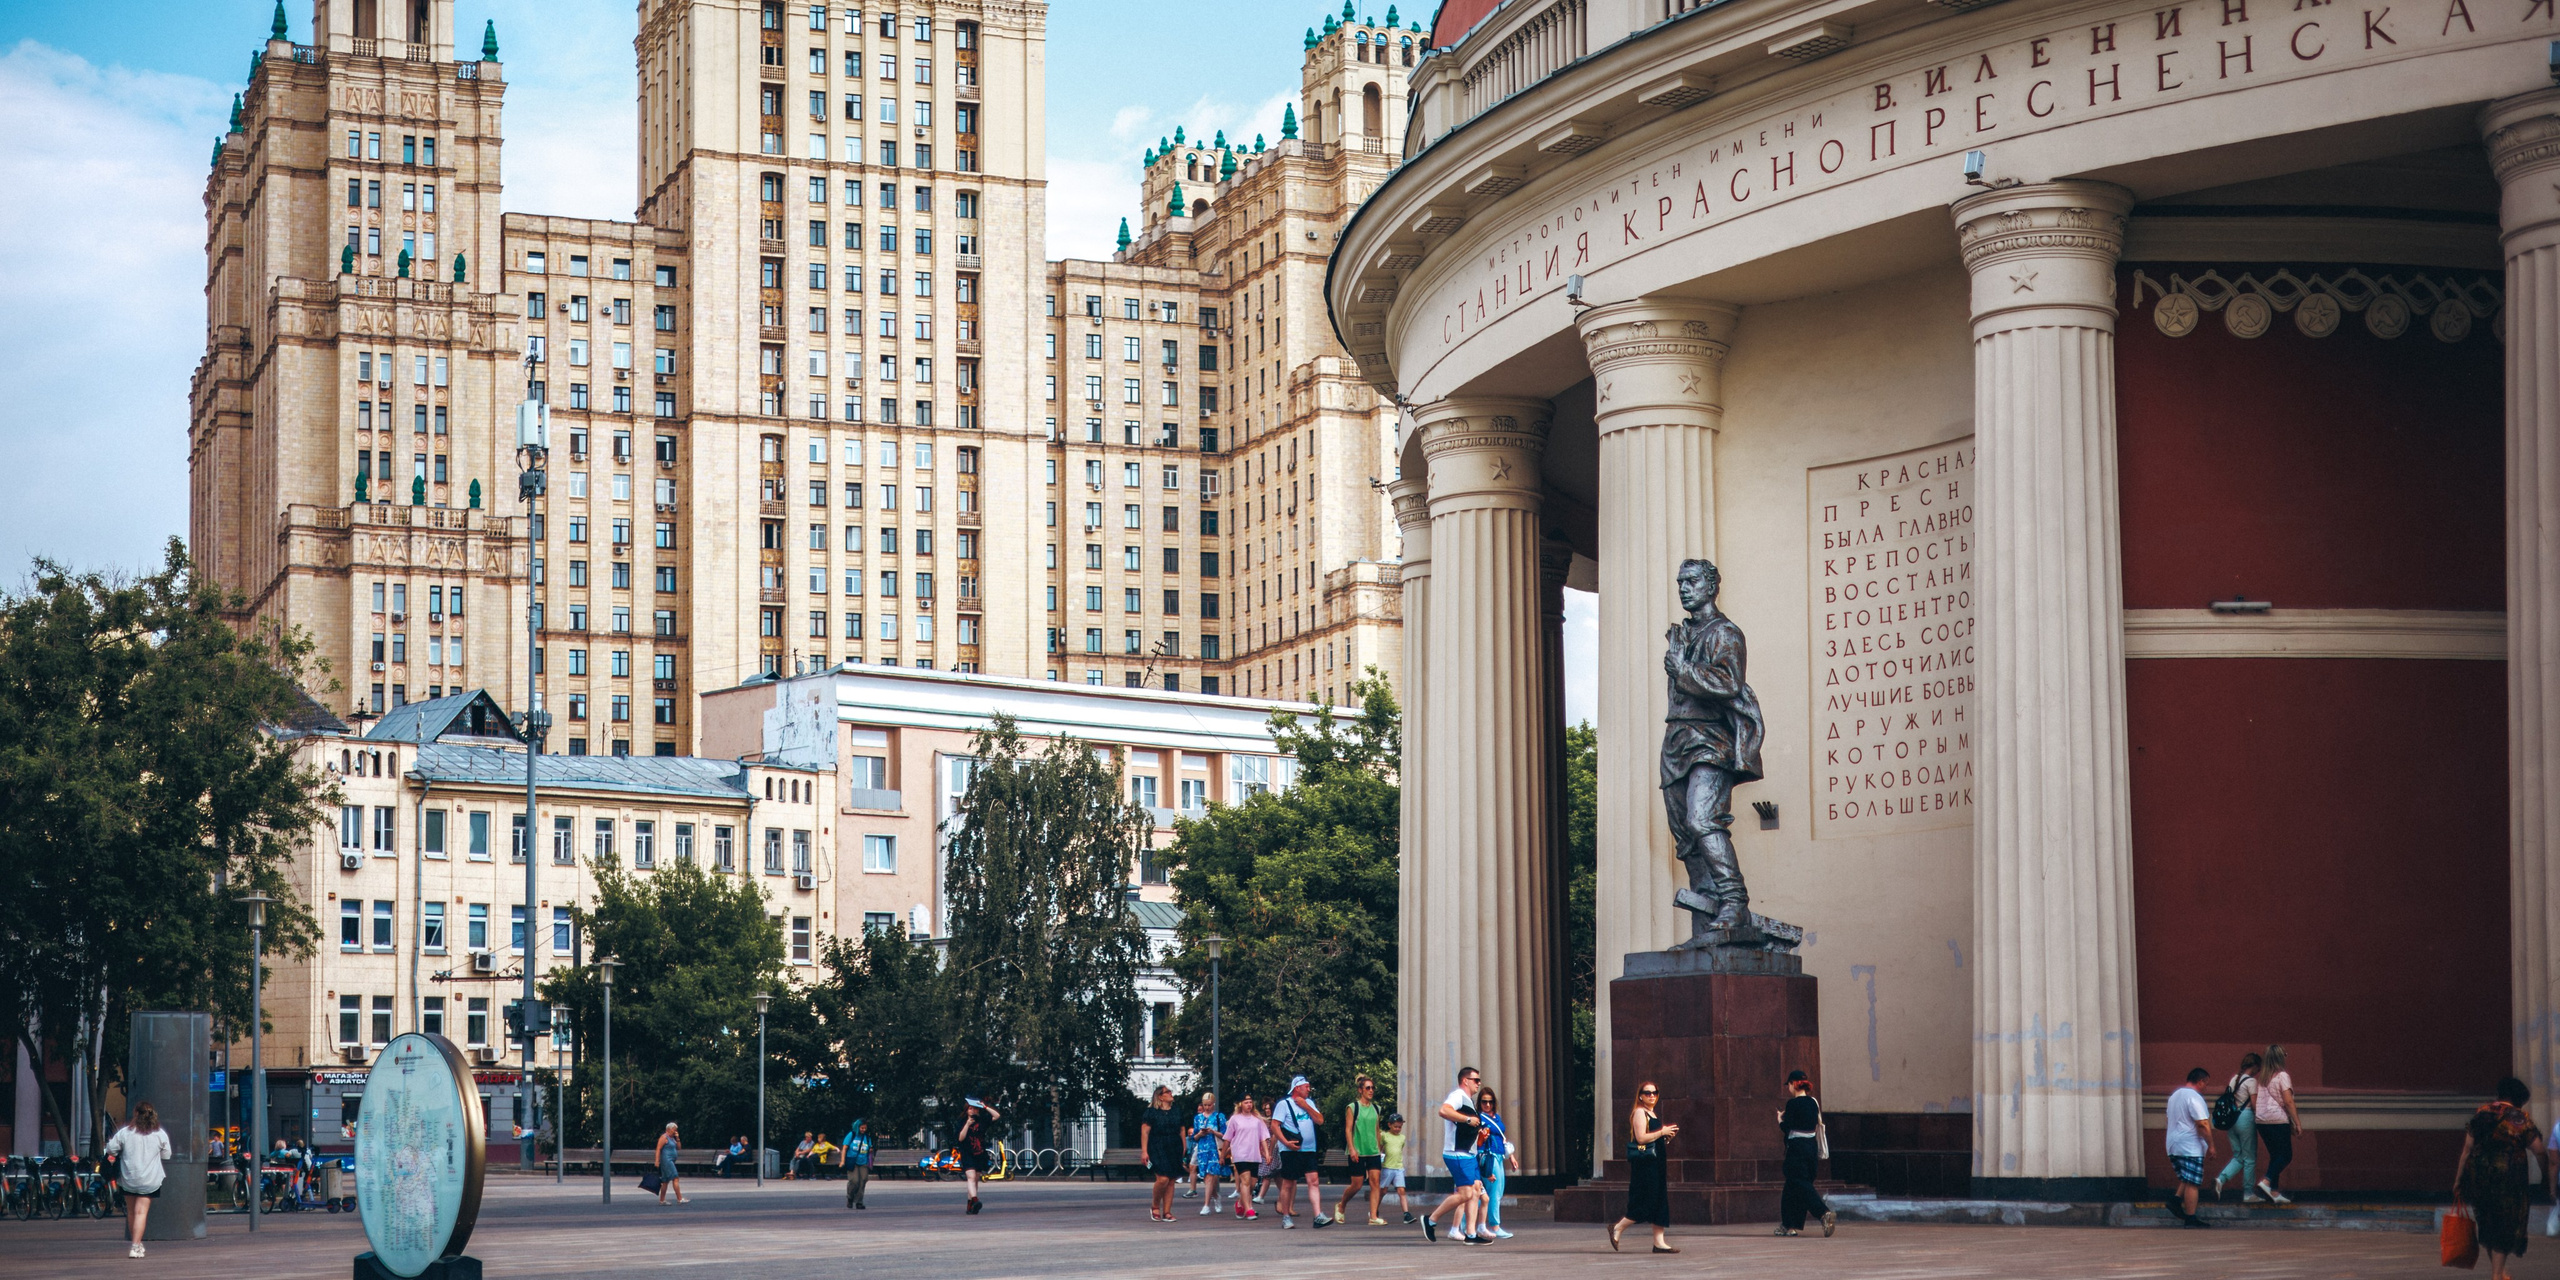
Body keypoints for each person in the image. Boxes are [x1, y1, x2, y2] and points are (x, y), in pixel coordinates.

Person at [2458, 1077, 2548, 1280]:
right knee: (2505, 1225)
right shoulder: (2518, 1118)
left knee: (2488, 1223)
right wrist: (2545, 1176)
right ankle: (2497, 1274)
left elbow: (2467, 1149)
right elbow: (2539, 1151)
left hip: (2479, 1177)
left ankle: (2499, 1271)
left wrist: (2458, 1179)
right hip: (2509, 1179)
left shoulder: (2481, 1113)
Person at [1610, 1082, 1679, 1254]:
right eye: (1647, 1093)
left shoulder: (1651, 1113)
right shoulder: (1640, 1112)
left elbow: (1653, 1140)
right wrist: (1662, 1132)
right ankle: (1617, 1227)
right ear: (1640, 1096)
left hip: (1656, 1163)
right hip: (1645, 1166)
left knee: (1659, 1200)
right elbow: (1641, 1138)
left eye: (1654, 1092)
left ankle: (1659, 1242)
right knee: (1646, 1201)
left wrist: (1666, 1137)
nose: (1652, 1095)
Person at [1425, 1065, 1488, 1244]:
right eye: (1476, 1080)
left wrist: (1479, 1135)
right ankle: (1430, 1220)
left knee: (1475, 1191)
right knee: (1466, 1194)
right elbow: (1443, 1110)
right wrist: (1468, 1119)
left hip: (1469, 1154)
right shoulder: (1457, 1096)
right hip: (1458, 1154)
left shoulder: (1467, 1100)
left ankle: (1471, 1234)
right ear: (1465, 1081)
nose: (1479, 1083)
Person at [104, 1101, 172, 1259]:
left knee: (132, 1212)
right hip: (150, 1179)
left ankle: (136, 1243)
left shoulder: (125, 1133)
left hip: (129, 1178)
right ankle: (136, 1246)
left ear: (136, 1114)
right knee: (141, 1212)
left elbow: (110, 1149)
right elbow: (166, 1155)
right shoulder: (159, 1134)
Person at [1776, 1069, 1836, 1237]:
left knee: (1800, 1184)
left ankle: (1823, 1213)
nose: (1788, 1088)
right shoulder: (1813, 1102)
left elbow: (1788, 1129)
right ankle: (1789, 1225)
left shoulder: (1792, 1104)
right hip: (1811, 1148)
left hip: (1797, 1149)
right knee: (1792, 1187)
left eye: (1788, 1084)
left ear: (1794, 1084)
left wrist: (1780, 1120)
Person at [1271, 1075, 1333, 1228]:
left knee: (1314, 1181)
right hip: (1291, 1150)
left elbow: (1320, 1120)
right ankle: (1286, 1217)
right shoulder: (1284, 1104)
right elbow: (1274, 1125)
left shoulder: (1309, 1102)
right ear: (1297, 1088)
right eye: (1307, 1086)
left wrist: (1306, 1106)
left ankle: (1318, 1215)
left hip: (1309, 1149)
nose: (1309, 1089)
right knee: (1288, 1183)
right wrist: (1285, 1143)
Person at [2164, 1067, 2215, 1227]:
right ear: (2200, 1081)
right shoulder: (2195, 1098)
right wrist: (2211, 1145)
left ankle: (2176, 1199)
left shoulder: (2174, 1096)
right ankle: (2190, 1218)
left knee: (2187, 1175)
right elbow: (2202, 1124)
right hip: (2190, 1145)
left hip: (2173, 1144)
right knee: (2193, 1182)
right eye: (2206, 1084)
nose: (2206, 1087)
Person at [2210, 1052, 2263, 1203]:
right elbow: (2254, 1104)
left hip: (2231, 1121)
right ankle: (2248, 1193)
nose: (2258, 1071)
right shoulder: (2251, 1082)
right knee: (2250, 1158)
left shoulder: (2234, 1079)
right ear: (2254, 1066)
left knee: (2238, 1156)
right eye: (2258, 1068)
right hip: (2245, 1119)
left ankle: (2220, 1180)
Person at [2253, 1044, 2299, 1204]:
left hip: (2261, 1120)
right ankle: (2266, 1182)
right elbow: (2288, 1101)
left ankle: (2273, 1191)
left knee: (2275, 1155)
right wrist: (2297, 1122)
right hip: (2278, 1120)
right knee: (2286, 1155)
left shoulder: (2263, 1077)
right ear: (2280, 1058)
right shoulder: (2282, 1076)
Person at [1477, 1085, 1520, 1238]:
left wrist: (1511, 1156)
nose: (1487, 1105)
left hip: (1499, 1155)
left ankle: (1466, 1224)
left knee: (1489, 1192)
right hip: (1488, 1155)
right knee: (1493, 1191)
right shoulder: (1479, 1118)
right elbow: (1478, 1141)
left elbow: (1502, 1138)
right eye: (1484, 1102)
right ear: (1480, 1103)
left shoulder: (1496, 1117)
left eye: (1490, 1101)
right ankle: (1494, 1226)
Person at [1220, 1094, 1271, 1219]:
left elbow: (1263, 1138)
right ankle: (1249, 1209)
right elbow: (1227, 1139)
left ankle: (1240, 1203)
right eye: (1246, 1102)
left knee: (1252, 1184)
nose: (1249, 1104)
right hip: (1240, 1153)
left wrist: (1267, 1153)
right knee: (1246, 1181)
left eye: (1250, 1102)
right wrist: (1223, 1155)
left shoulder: (1257, 1120)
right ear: (1240, 1104)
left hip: (1254, 1154)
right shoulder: (1235, 1119)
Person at [1344, 1076, 1386, 1225]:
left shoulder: (1376, 1108)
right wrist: (1352, 1149)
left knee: (1376, 1182)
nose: (1371, 1090)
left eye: (1372, 1088)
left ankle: (1373, 1217)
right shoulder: (1353, 1107)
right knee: (1357, 1184)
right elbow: (1348, 1130)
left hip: (1373, 1151)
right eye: (1368, 1088)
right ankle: (1341, 1205)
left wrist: (1380, 1148)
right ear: (1360, 1090)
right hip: (1358, 1151)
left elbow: (1377, 1130)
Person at [1142, 1085, 1185, 1221]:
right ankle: (1155, 1205)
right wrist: (1144, 1151)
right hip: (1157, 1146)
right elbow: (1145, 1131)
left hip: (1174, 1145)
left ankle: (1167, 1212)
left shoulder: (1176, 1111)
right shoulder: (1151, 1112)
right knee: (1163, 1178)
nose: (1171, 1093)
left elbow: (1182, 1129)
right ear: (1160, 1096)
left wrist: (1184, 1146)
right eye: (1168, 1092)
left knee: (1171, 1180)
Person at [1186, 1092, 1229, 1216]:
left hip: (1215, 1149)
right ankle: (1216, 1196)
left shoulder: (1219, 1117)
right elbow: (1194, 1137)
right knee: (1206, 1178)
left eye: (1209, 1105)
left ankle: (1206, 1205)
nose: (1207, 1107)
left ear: (1213, 1104)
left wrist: (1213, 1132)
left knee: (1210, 1176)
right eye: (1205, 1105)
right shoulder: (1197, 1118)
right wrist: (1200, 1134)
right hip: (1202, 1150)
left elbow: (1225, 1135)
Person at [956, 1097, 1000, 1214]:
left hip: (979, 1152)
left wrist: (985, 1106)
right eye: (970, 1109)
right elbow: (960, 1138)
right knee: (970, 1177)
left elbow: (996, 1116)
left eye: (975, 1109)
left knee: (975, 1179)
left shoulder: (982, 1121)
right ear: (966, 1110)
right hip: (967, 1152)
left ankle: (970, 1205)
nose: (972, 1111)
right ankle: (975, 1200)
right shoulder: (962, 1121)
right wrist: (967, 1124)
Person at [1379, 1113, 1415, 1223]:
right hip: (1387, 1167)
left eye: (1400, 1127)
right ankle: (1374, 1210)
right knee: (1383, 1191)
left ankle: (1406, 1214)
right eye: (1395, 1126)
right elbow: (1380, 1149)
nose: (1398, 1129)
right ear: (1389, 1125)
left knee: (1401, 1191)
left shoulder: (1402, 1138)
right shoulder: (1384, 1136)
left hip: (1399, 1167)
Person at [655, 1122, 688, 1205]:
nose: (675, 1131)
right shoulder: (664, 1137)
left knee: (665, 1181)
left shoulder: (673, 1138)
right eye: (674, 1129)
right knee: (675, 1178)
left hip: (671, 1160)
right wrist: (657, 1160)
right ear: (669, 1129)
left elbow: (679, 1148)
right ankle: (679, 1198)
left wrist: (678, 1138)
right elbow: (658, 1149)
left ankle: (662, 1200)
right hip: (667, 1160)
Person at [844, 1120, 874, 1209]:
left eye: (865, 1128)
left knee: (863, 1180)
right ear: (857, 1127)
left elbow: (870, 1147)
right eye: (862, 1128)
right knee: (854, 1181)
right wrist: (842, 1161)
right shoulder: (851, 1135)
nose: (863, 1130)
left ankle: (859, 1201)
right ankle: (850, 1197)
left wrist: (871, 1150)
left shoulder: (867, 1137)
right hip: (853, 1161)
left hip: (863, 1161)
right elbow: (845, 1148)